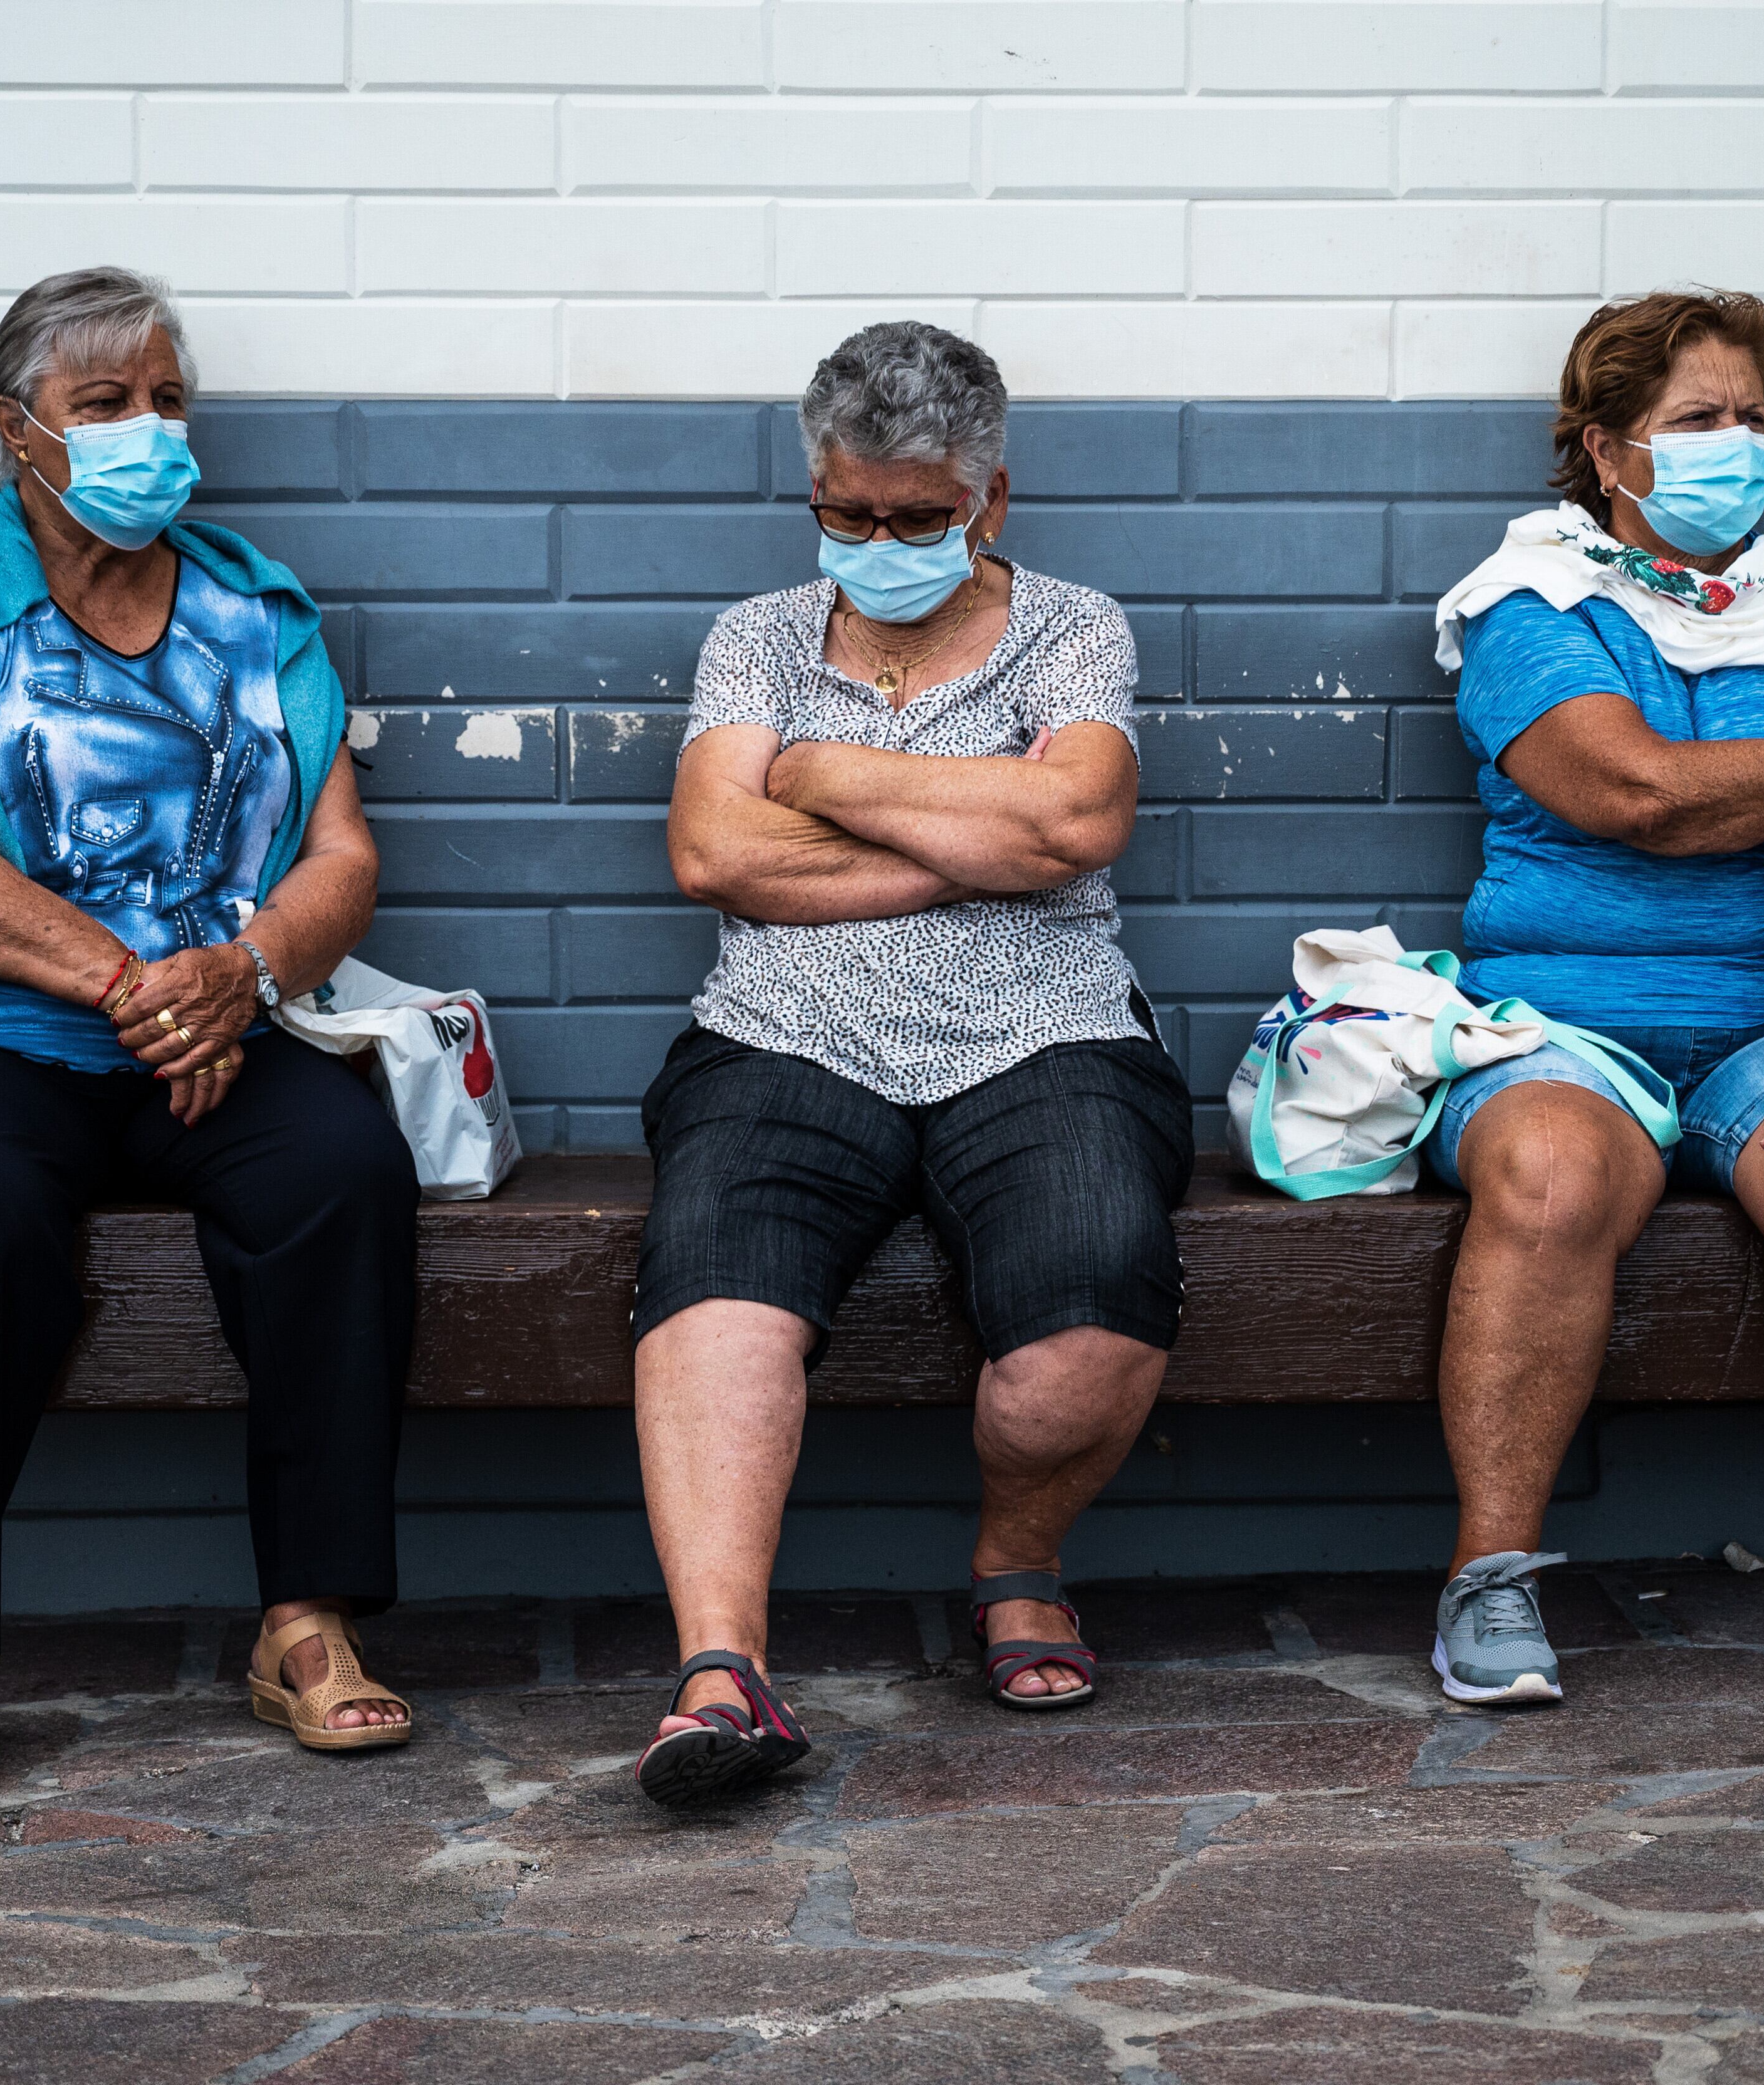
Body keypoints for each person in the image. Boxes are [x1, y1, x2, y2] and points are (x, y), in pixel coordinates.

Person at [0, 268, 420, 1796]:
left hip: (218, 1015)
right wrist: (139, 985)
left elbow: (341, 852)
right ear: (19, 432)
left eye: (165, 400)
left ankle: (306, 1619)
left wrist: (250, 967)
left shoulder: (256, 603)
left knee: (340, 1167)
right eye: (105, 406)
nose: (149, 431)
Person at [627, 322, 1194, 1806]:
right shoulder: (757, 637)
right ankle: (719, 1664)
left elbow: (1073, 830)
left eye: (918, 515)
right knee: (716, 1276)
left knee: (1093, 1320)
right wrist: (976, 839)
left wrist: (820, 778)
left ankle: (1016, 1558)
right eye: (847, 512)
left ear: (990, 498)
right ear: (814, 487)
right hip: (783, 1029)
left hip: (1045, 1025)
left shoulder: (1073, 628)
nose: (877, 543)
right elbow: (710, 852)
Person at [1417, 288, 1764, 1705]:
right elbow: (1635, 793)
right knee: (1545, 1180)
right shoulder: (1529, 601)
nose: (1738, 444)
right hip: (1559, 1021)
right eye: (1697, 421)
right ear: (1610, 452)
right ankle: (1487, 1582)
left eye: (1751, 417)